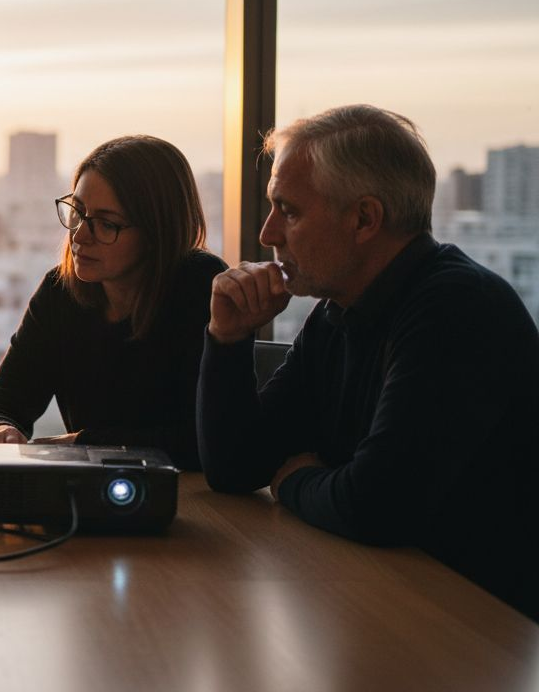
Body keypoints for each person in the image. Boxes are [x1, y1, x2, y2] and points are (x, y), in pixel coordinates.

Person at [199, 104, 538, 620]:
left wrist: (291, 482)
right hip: (391, 600)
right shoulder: (341, 311)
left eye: (288, 211)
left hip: (474, 626)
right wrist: (227, 338)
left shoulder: (456, 308)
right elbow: (234, 467)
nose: (268, 234)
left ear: (364, 219)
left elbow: (377, 505)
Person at [0, 135, 225, 469]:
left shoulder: (200, 287)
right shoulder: (62, 292)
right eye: (77, 212)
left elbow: (201, 441)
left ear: (156, 231)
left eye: (106, 224)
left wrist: (78, 444)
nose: (79, 235)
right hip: (97, 496)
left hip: (191, 500)